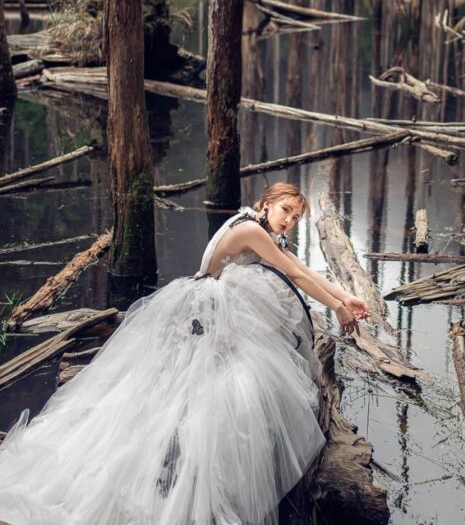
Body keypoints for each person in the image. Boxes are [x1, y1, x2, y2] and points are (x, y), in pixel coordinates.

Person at [0, 182, 370, 525]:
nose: (288, 220)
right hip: (206, 310)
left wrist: (345, 296)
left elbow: (300, 269)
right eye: (285, 210)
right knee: (220, 389)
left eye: (295, 217)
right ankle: (183, 479)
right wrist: (336, 309)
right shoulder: (250, 230)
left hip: (227, 306)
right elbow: (296, 275)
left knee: (245, 381)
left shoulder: (263, 228)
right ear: (267, 203)